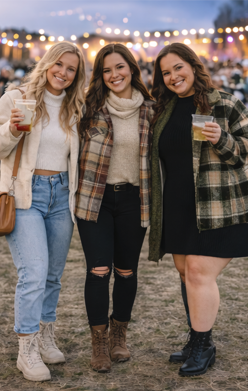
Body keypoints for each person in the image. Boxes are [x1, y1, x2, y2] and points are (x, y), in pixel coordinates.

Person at [149, 43, 248, 377]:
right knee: (186, 273)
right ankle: (196, 336)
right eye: (166, 72)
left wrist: (220, 139)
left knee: (198, 272)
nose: (172, 77)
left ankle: (203, 345)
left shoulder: (224, 102)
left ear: (193, 67)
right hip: (180, 205)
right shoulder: (164, 108)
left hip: (220, 204)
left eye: (178, 68)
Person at [0, 42, 86, 382]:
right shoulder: (17, 97)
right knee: (34, 270)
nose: (63, 73)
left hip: (61, 196)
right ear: (47, 63)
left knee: (53, 274)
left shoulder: (75, 106)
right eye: (59, 64)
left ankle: (45, 336)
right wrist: (12, 129)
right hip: (25, 194)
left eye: (71, 69)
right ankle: (25, 347)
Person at [76, 43, 154, 373]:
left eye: (119, 67)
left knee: (125, 271)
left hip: (134, 200)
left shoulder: (152, 109)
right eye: (106, 70)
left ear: (132, 69)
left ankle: (119, 335)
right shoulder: (87, 106)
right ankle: (99, 342)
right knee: (98, 271)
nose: (113, 75)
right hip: (96, 199)